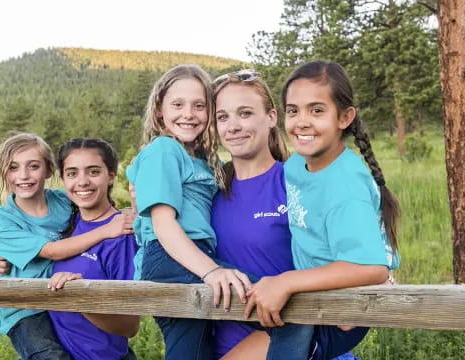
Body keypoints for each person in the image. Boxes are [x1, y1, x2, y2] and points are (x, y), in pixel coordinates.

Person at [126, 64, 313, 360]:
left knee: (191, 348)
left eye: (199, 106)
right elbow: (162, 225)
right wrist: (212, 270)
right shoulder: (163, 149)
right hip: (173, 258)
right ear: (159, 110)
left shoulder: (206, 167)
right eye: (177, 104)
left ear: (271, 118)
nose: (188, 114)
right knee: (285, 315)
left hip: (192, 259)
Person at [239, 61, 400, 356]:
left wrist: (286, 281)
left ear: (345, 117)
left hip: (339, 308)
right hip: (312, 297)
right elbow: (261, 170)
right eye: (293, 110)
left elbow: (371, 267)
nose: (301, 121)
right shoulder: (299, 164)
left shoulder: (346, 183)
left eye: (316, 110)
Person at [211, 69, 373, 360]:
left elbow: (361, 255)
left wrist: (379, 277)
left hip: (301, 342)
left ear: (272, 117)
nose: (233, 126)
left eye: (245, 113)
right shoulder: (208, 191)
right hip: (227, 344)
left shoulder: (301, 180)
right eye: (223, 117)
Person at [0, 132, 133, 360]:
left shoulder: (63, 201)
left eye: (33, 166)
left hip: (56, 303)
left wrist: (125, 216)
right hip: (24, 309)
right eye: (13, 167)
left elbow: (94, 209)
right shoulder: (4, 219)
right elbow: (53, 251)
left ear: (48, 170)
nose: (23, 175)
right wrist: (107, 230)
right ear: (3, 173)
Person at [47, 137, 140, 360]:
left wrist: (80, 298)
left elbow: (129, 326)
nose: (82, 182)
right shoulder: (61, 223)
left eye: (93, 171)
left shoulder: (122, 235)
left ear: (111, 176)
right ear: (63, 179)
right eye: (72, 173)